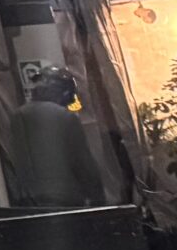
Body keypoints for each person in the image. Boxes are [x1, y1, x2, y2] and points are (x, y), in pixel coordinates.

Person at [9, 69, 110, 208]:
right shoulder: (66, 117)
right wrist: (98, 198)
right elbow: (83, 162)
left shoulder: (18, 115)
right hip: (64, 199)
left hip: (27, 201)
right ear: (64, 92)